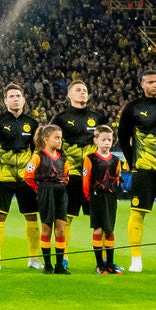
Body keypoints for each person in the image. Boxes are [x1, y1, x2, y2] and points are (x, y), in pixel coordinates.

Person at [116, 68, 156, 273]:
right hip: (143, 170)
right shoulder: (132, 108)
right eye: (151, 82)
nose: (155, 86)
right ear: (142, 85)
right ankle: (136, 259)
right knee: (138, 213)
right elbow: (123, 138)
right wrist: (133, 161)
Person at [51, 81, 104, 273]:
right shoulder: (61, 118)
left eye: (85, 90)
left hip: (94, 176)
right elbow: (51, 143)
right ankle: (63, 258)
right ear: (69, 95)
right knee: (66, 219)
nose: (82, 93)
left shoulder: (98, 117)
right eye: (78, 90)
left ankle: (103, 261)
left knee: (99, 219)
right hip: (71, 176)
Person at [0, 83, 37, 270]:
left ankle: (34, 259)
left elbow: (36, 149)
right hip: (3, 177)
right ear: (5, 101)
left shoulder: (32, 123)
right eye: (11, 96)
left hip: (25, 178)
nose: (15, 99)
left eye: (18, 96)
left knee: (31, 216)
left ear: (23, 99)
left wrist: (31, 169)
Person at [22, 125, 69, 275]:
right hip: (45, 193)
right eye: (56, 137)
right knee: (47, 228)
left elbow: (66, 175)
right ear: (45, 139)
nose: (60, 141)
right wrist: (40, 189)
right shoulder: (38, 157)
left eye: (60, 138)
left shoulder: (63, 157)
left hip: (61, 193)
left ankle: (60, 265)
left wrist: (61, 185)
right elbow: (28, 176)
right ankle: (48, 265)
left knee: (61, 229)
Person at [81, 124, 122, 275]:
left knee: (110, 229)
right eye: (103, 139)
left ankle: (110, 263)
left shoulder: (116, 160)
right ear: (96, 140)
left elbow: (117, 178)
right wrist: (88, 197)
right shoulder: (90, 159)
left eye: (109, 140)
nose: (107, 142)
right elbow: (86, 180)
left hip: (110, 198)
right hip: (96, 198)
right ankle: (100, 265)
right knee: (98, 229)